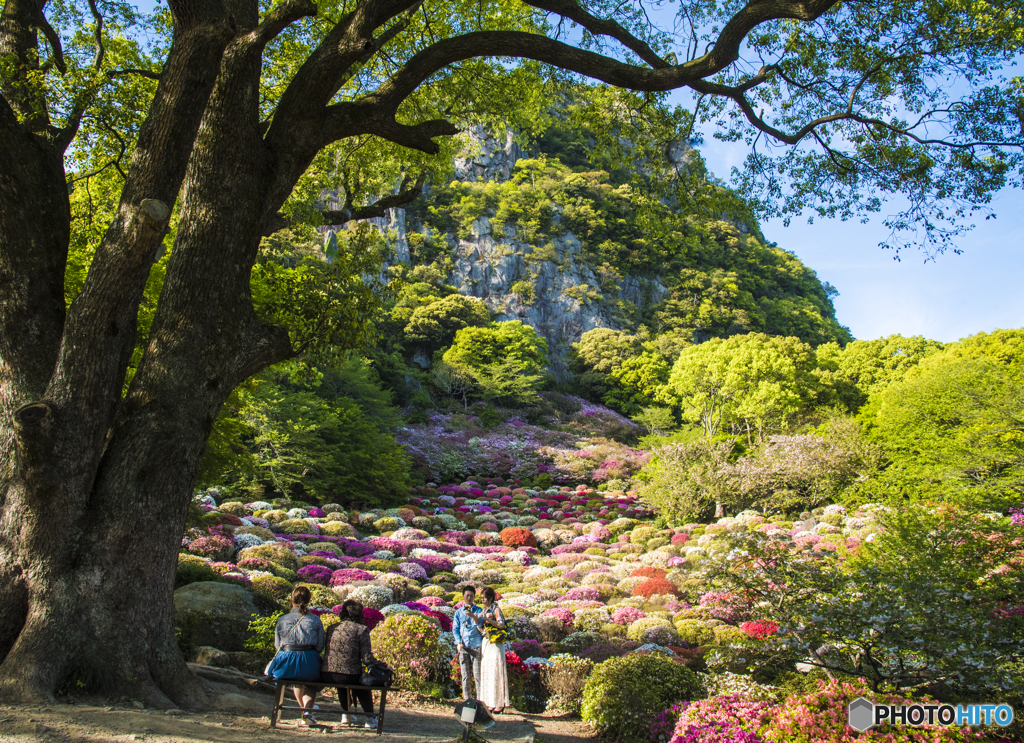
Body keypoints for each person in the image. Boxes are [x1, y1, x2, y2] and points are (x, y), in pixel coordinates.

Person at [266, 586, 326, 726]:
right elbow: (319, 646)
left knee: (297, 681)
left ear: (292, 599)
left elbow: (277, 645)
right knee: (312, 683)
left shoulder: (282, 619)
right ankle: (307, 714)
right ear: (309, 600)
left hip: (285, 662)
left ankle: (306, 713)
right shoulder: (315, 620)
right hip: (309, 660)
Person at [322, 600, 378, 729]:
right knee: (360, 683)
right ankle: (370, 717)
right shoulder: (361, 629)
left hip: (328, 673)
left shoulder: (332, 628)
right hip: (349, 674)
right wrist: (378, 665)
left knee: (342, 676)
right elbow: (366, 657)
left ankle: (346, 713)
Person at [474, 586, 510, 714]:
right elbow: (479, 625)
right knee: (487, 671)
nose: (482, 600)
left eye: (484, 598)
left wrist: (488, 620)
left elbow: (501, 624)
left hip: (496, 643)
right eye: (482, 598)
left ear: (490, 598)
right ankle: (490, 701)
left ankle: (500, 703)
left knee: (496, 670)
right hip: (487, 642)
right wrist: (483, 631)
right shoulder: (483, 610)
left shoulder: (496, 610)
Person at [452, 586, 484, 701]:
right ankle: (467, 700)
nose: (469, 598)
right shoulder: (458, 613)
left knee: (478, 675)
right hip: (464, 646)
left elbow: (480, 623)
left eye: (471, 596)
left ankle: (480, 701)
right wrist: (458, 642)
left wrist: (472, 615)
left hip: (476, 645)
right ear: (463, 597)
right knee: (465, 676)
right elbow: (455, 629)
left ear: (474, 597)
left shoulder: (479, 610)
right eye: (467, 596)